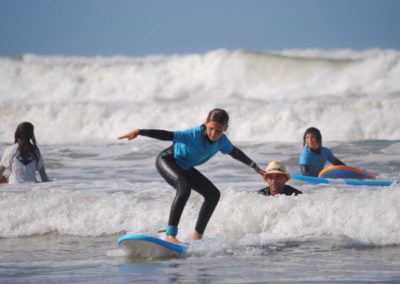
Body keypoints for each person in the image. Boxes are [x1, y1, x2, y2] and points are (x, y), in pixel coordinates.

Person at [118, 108, 265, 243]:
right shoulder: (193, 134)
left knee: (213, 194)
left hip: (185, 167)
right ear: (205, 124)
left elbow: (236, 153)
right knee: (184, 188)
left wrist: (256, 168)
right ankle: (170, 235)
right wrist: (140, 131)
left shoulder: (222, 142)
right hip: (168, 160)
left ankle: (197, 237)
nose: (214, 133)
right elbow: (167, 135)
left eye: (219, 131)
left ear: (225, 129)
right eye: (211, 128)